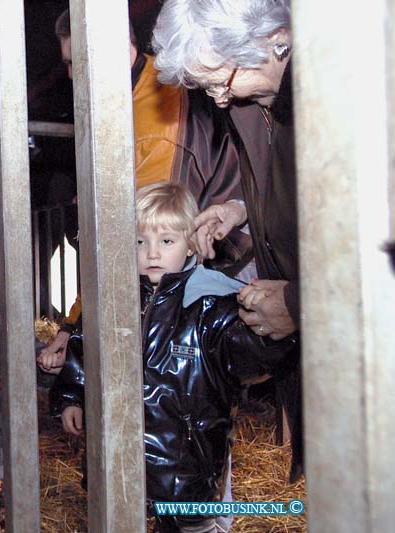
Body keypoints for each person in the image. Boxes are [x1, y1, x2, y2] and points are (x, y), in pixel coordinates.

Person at [50, 182, 298, 533]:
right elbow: (84, 348)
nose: (152, 254)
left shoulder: (211, 305)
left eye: (166, 241)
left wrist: (277, 331)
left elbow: (248, 353)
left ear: (190, 243)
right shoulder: (115, 299)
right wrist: (72, 396)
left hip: (187, 467)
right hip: (119, 461)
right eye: (140, 241)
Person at [37, 7, 249, 375]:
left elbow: (134, 236)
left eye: (77, 63)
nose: (71, 76)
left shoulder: (155, 122)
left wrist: (75, 328)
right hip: (203, 257)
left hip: (230, 263)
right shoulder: (135, 95)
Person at [151, 0, 303, 481]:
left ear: (277, 39)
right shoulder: (252, 105)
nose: (218, 99)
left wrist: (302, 303)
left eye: (220, 78)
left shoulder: (353, 94)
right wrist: (240, 210)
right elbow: (298, 190)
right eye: (206, 85)